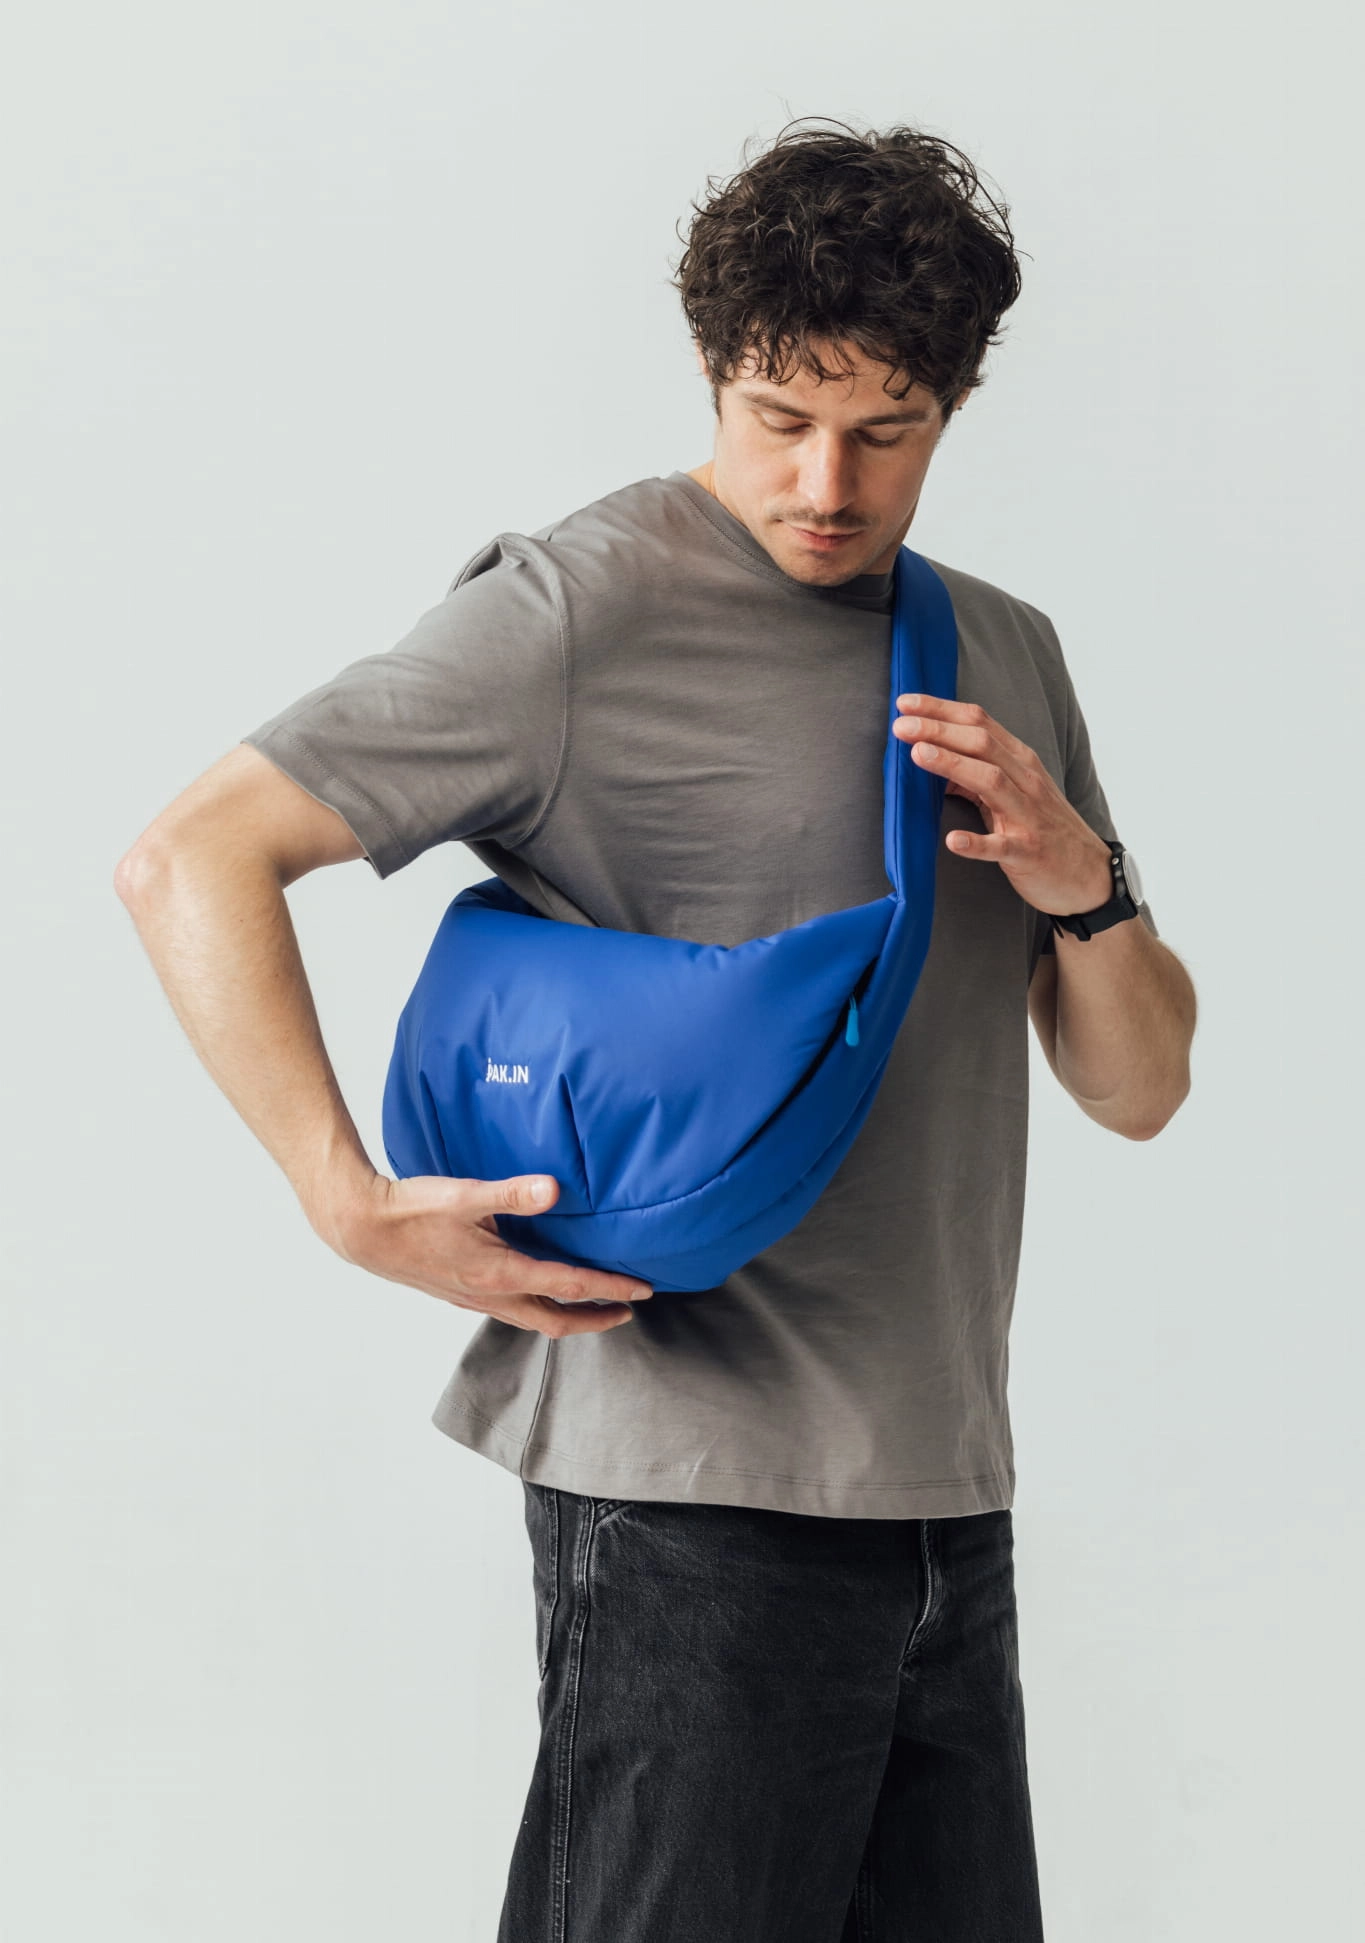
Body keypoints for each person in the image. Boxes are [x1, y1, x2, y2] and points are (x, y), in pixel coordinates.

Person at [114, 117, 1197, 1941]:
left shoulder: (1001, 654)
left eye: (887, 428)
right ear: (714, 372)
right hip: (688, 1499)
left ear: (954, 405)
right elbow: (191, 855)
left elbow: (1139, 1087)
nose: (828, 482)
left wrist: (1085, 884)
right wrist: (342, 1195)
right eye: (781, 417)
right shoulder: (577, 611)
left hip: (946, 1495)